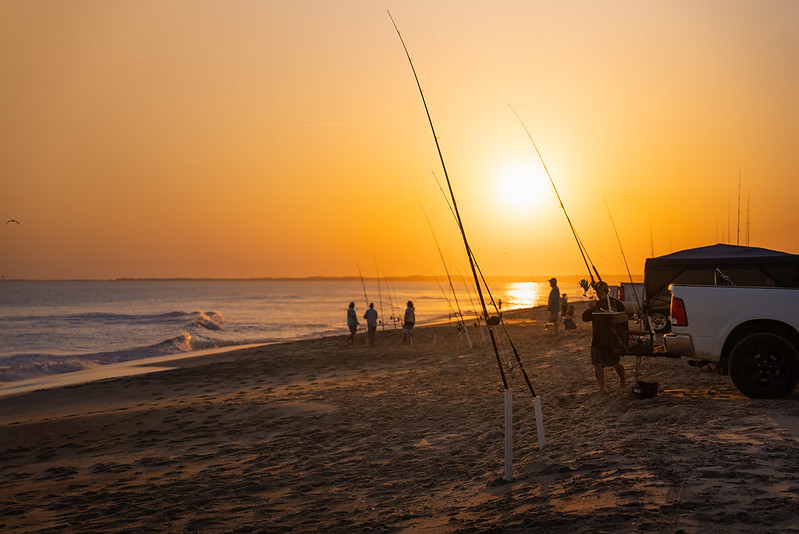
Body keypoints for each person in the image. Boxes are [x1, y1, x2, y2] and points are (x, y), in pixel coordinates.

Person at [581, 281, 627, 392]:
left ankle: (622, 381)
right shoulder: (595, 305)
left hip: (612, 339)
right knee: (597, 364)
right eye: (597, 290)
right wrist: (591, 309)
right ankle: (601, 388)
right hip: (597, 339)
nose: (598, 292)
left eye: (600, 289)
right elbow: (584, 318)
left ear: (606, 290)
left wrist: (623, 338)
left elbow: (623, 322)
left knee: (615, 362)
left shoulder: (616, 303)